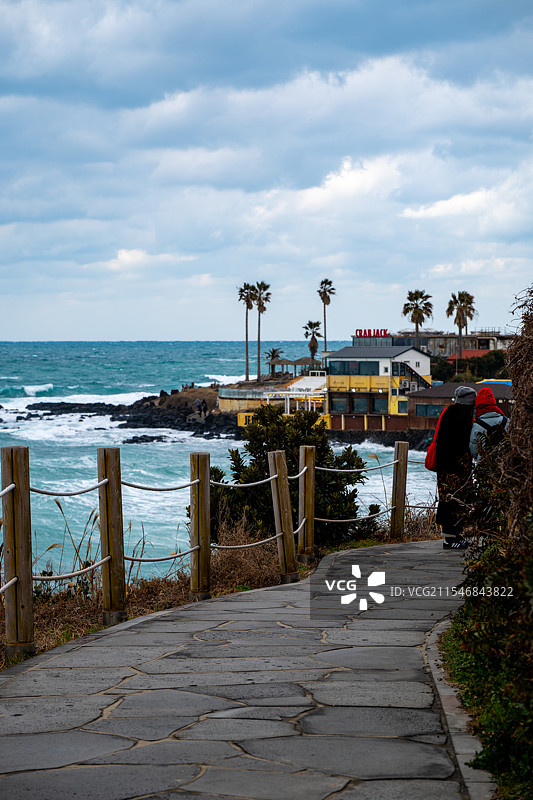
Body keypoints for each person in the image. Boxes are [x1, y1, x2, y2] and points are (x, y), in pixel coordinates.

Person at [436, 385, 477, 549]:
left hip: (444, 467)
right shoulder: (462, 419)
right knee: (456, 502)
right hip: (456, 468)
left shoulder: (447, 413)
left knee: (447, 500)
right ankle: (452, 539)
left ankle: (452, 537)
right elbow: (463, 444)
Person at [469, 387, 509, 459]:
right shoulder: (506, 421)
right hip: (506, 464)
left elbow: (474, 451)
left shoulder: (477, 425)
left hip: (485, 465)